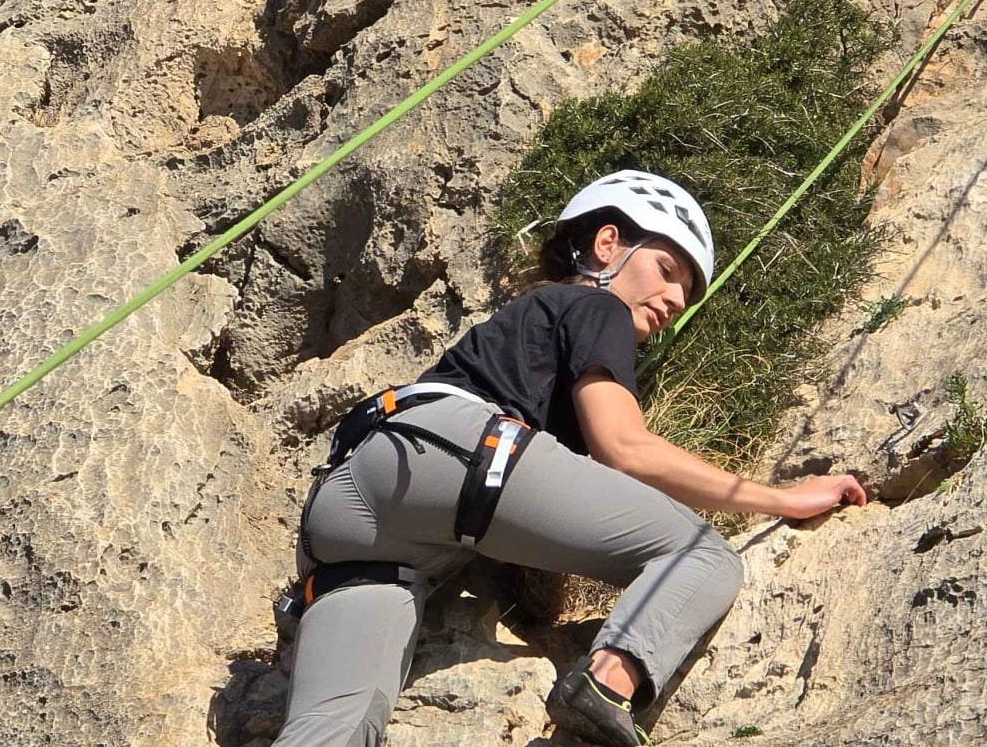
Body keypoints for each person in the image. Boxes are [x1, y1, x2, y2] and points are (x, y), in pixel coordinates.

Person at [271, 170, 867, 747]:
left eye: (686, 291)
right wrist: (784, 498)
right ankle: (605, 688)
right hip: (459, 455)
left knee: (335, 727)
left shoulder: (528, 326)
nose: (676, 298)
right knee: (702, 556)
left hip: (348, 512)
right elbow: (624, 448)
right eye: (667, 269)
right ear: (609, 244)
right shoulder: (594, 308)